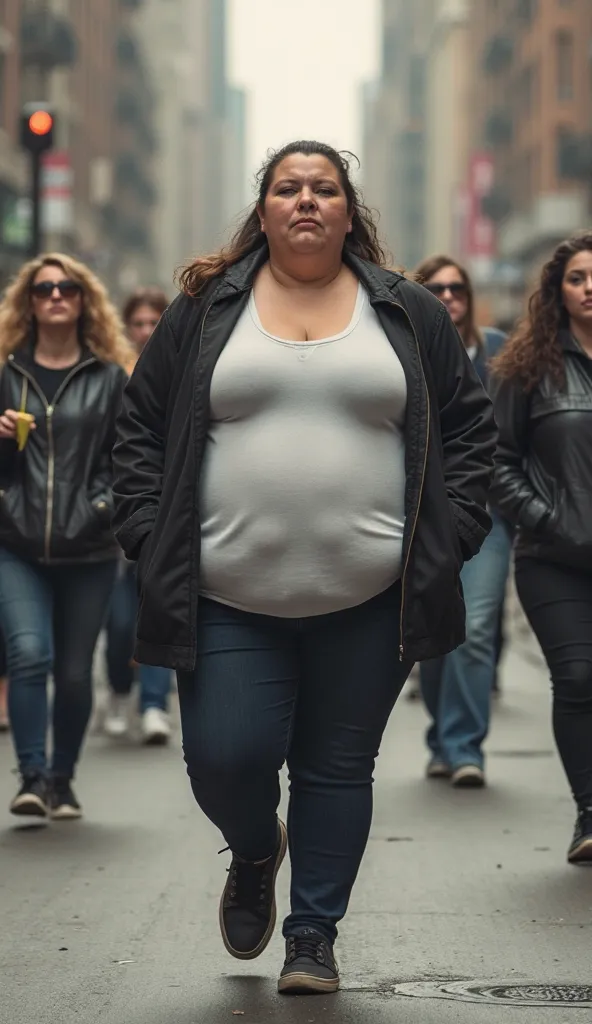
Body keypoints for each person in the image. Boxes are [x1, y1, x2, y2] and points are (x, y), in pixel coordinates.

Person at [112, 140, 495, 994]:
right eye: (289, 188)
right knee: (224, 756)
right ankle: (255, 850)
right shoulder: (208, 308)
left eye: (325, 188)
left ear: (349, 210)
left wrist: (447, 537)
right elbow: (138, 430)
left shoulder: (408, 311)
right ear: (265, 209)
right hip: (226, 596)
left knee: (336, 768)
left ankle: (312, 934)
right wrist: (150, 533)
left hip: (373, 599)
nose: (307, 201)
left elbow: (471, 433)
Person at [0, 253, 130, 819]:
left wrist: (100, 505)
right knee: (28, 654)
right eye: (44, 288)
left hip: (90, 545)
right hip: (16, 541)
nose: (56, 296)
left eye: (68, 288)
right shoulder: (5, 374)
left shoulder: (108, 379)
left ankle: (62, 778)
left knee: (76, 672)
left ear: (84, 302)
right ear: (29, 302)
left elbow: (128, 458)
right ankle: (31, 776)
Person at [491, 231, 592, 864]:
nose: (591, 287)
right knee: (579, 676)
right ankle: (589, 811)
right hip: (553, 558)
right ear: (558, 292)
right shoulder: (531, 368)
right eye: (578, 277)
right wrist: (546, 518)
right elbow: (497, 462)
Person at [414, 255, 512, 787]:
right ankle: (441, 735)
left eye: (457, 288)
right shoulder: (406, 348)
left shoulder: (498, 352)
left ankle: (463, 746)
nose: (448, 296)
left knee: (474, 629)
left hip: (490, 513)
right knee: (435, 630)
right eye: (436, 288)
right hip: (423, 516)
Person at [102, 287, 173, 744]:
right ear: (127, 328)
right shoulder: (111, 378)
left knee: (159, 609)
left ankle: (153, 705)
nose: (146, 331)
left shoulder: (181, 371)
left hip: (166, 516)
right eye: (139, 323)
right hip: (111, 516)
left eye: (155, 322)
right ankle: (118, 690)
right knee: (121, 621)